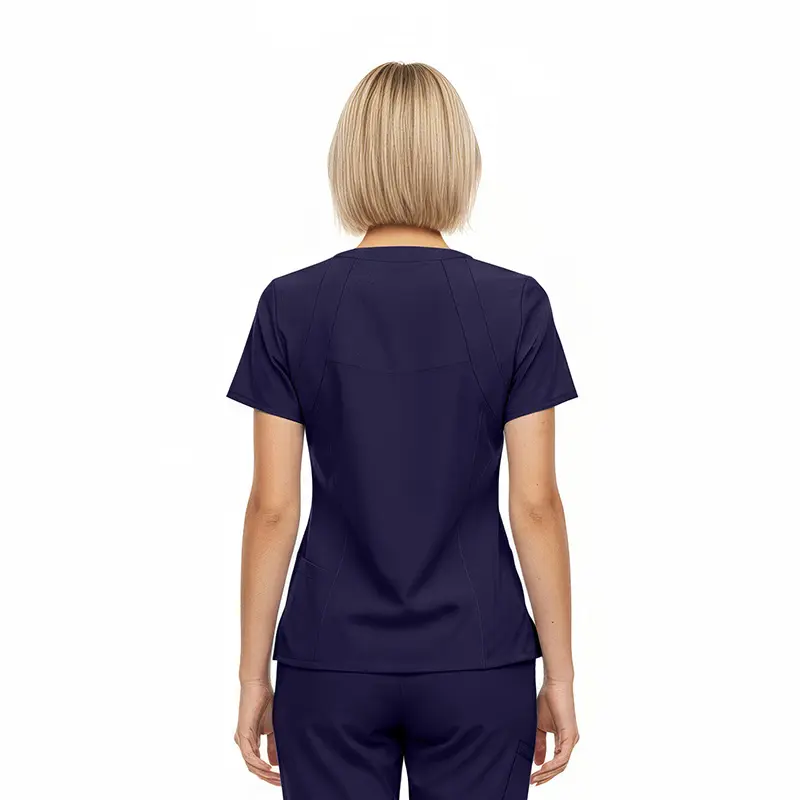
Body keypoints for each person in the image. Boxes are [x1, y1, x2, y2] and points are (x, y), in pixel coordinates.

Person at [228, 61, 579, 799]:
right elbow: (536, 505)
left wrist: (253, 676)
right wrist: (561, 675)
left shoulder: (290, 305)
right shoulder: (516, 306)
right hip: (479, 659)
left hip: (330, 658)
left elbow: (273, 508)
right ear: (457, 160)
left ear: (350, 160)